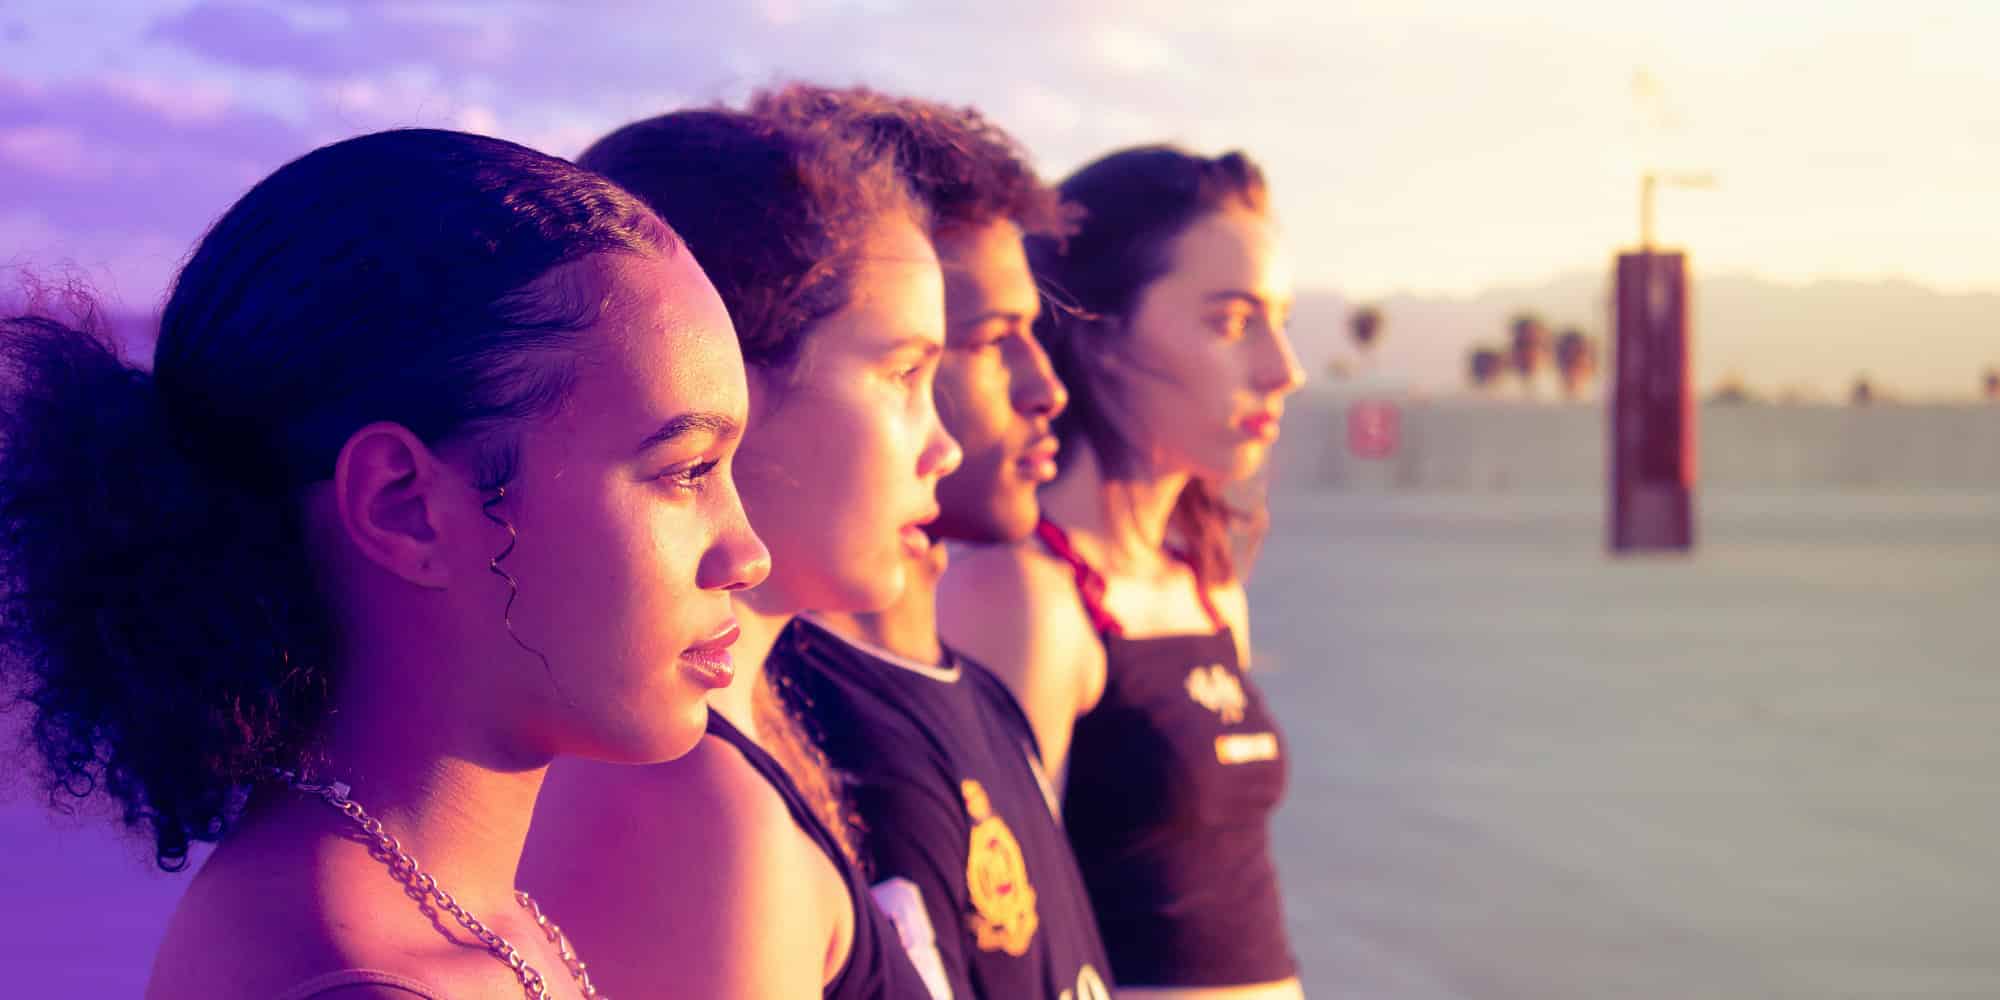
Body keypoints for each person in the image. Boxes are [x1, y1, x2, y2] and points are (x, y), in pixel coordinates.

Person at [0, 128, 769, 1000]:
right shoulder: (364, 979)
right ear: (406, 507)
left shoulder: (440, 911)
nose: (748, 552)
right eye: (686, 471)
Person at [521, 108, 954, 999]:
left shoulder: (741, 725)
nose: (944, 444)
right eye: (905, 375)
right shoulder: (683, 808)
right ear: (722, 383)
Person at [749, 84, 1114, 1000]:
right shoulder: (795, 738)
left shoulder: (977, 692)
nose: (1045, 387)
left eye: (1036, 334)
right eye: (988, 341)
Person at [940, 146, 1309, 998]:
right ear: (1100, 335)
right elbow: (999, 942)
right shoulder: (1025, 597)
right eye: (1231, 322)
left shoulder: (1204, 583)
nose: (1282, 369)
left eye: (1280, 319)